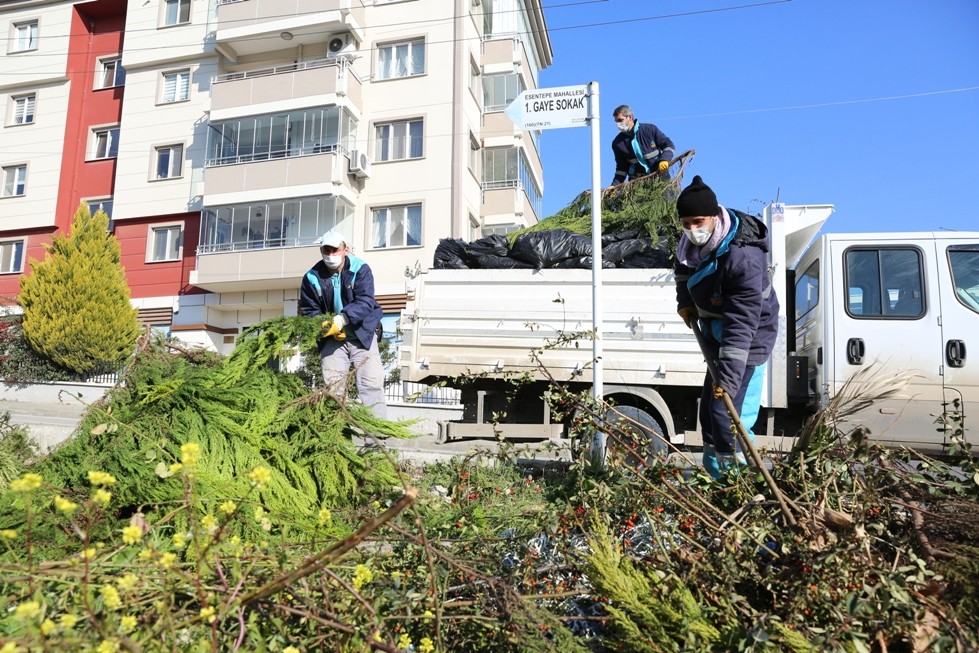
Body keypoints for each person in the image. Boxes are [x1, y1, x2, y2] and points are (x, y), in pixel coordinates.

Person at [673, 176, 778, 480]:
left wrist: (729, 380)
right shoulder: (690, 245)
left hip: (749, 336)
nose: (693, 230)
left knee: (727, 415)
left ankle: (740, 482)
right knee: (709, 412)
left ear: (714, 216)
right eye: (686, 223)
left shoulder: (742, 257)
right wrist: (685, 302)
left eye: (698, 221)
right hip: (717, 331)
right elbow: (682, 272)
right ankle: (717, 477)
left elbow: (742, 323)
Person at [299, 231, 387, 419]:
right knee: (333, 388)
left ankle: (378, 436)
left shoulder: (360, 269)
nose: (330, 255)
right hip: (332, 339)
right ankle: (336, 436)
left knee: (371, 385)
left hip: (362, 335)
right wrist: (323, 324)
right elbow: (308, 309)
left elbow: (365, 301)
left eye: (335, 250)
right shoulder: (311, 277)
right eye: (326, 250)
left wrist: (342, 320)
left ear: (345, 249)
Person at [610, 104, 675, 186]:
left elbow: (669, 145)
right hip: (638, 184)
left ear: (630, 117)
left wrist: (664, 160)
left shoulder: (650, 129)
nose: (618, 124)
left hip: (660, 178)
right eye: (616, 121)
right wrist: (614, 186)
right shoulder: (617, 143)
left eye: (620, 120)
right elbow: (621, 168)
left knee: (667, 198)